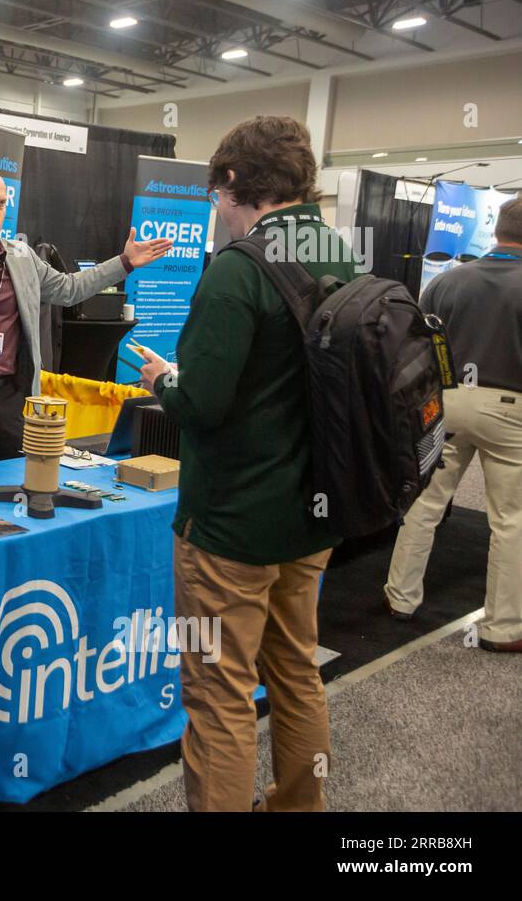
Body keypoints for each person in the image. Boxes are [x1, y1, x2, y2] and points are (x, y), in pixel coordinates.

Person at [137, 115, 358, 812]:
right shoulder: (341, 256)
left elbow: (200, 402)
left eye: (215, 197)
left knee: (218, 692)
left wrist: (161, 382)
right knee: (295, 671)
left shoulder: (238, 271)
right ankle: (300, 804)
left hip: (232, 525)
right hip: (313, 511)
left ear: (231, 182)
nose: (217, 214)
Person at [0, 166, 172, 462]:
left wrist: (124, 263)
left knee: (7, 489)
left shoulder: (23, 258)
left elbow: (69, 289)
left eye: (1, 203)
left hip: (8, 398)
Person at [384, 197, 522, 651]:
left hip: (446, 404)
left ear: (498, 229)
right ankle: (502, 630)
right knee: (511, 521)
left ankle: (400, 600)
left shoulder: (448, 280)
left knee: (424, 504)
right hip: (511, 411)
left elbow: (416, 346)